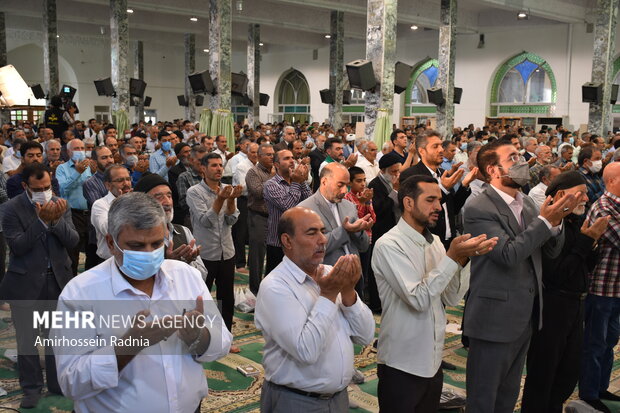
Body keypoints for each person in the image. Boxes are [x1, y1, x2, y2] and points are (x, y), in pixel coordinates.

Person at [54, 192, 232, 412]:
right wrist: (128, 346)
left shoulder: (186, 276)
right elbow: (71, 381)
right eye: (137, 246)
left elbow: (222, 342)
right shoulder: (80, 293)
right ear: (111, 242)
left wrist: (199, 337)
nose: (149, 253)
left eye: (156, 244)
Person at [463, 139, 575, 413]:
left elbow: (550, 251)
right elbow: (508, 255)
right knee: (483, 398)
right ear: (492, 170)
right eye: (512, 158)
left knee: (508, 395)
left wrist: (557, 222)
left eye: (519, 155)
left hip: (525, 314)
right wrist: (546, 222)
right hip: (493, 316)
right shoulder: (478, 208)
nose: (522, 161)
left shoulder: (526, 203)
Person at [372, 175, 497, 412]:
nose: (438, 207)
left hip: (432, 358)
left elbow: (450, 297)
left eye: (439, 200)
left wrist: (466, 258)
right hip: (402, 361)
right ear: (408, 203)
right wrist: (451, 258)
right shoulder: (389, 244)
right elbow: (418, 299)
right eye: (430, 200)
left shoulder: (437, 242)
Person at [255, 207, 375, 413]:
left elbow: (365, 336)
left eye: (322, 231)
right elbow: (306, 351)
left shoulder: (330, 273)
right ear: (287, 241)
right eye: (312, 233)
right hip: (295, 401)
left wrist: (347, 291)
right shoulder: (275, 287)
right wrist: (328, 295)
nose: (323, 239)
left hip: (338, 399)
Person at [522, 172, 610, 413]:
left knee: (568, 373)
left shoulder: (574, 222)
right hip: (554, 305)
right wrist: (586, 240)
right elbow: (558, 274)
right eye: (580, 192)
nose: (586, 197)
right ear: (561, 195)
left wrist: (592, 241)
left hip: (576, 305)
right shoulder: (552, 225)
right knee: (544, 373)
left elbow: (585, 268)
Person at [0, 163, 78, 408]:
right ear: (25, 186)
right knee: (28, 340)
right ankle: (31, 388)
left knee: (57, 337)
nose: (44, 192)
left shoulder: (59, 203)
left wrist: (55, 222)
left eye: (47, 186)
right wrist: (42, 222)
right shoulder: (10, 208)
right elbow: (19, 246)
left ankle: (57, 383)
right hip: (25, 283)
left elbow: (73, 241)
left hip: (57, 280)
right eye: (38, 188)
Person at [186, 153, 241, 352]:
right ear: (203, 169)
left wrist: (232, 200)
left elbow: (231, 220)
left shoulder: (225, 190)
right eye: (214, 165)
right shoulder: (195, 192)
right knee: (202, 298)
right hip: (205, 253)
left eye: (220, 165)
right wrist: (221, 199)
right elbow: (206, 221)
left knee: (226, 298)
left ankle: (225, 338)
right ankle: (197, 339)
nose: (219, 169)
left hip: (226, 251)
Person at [579, 162, 620, 412]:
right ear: (613, 180)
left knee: (610, 341)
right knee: (594, 343)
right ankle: (589, 393)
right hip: (601, 289)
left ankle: (601, 386)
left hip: (616, 288)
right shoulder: (604, 207)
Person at [403, 131, 477, 250]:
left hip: (449, 240)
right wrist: (444, 189)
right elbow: (420, 210)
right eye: (435, 146)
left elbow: (453, 208)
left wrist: (464, 185)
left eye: (441, 145)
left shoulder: (443, 173)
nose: (441, 150)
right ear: (422, 151)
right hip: (426, 242)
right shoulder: (411, 175)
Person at [134, 174, 208, 281]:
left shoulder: (183, 231)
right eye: (159, 197)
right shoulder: (136, 238)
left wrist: (187, 263)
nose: (167, 202)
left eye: (169, 196)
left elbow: (202, 275)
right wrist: (167, 264)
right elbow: (138, 280)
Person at [299, 162, 371, 264]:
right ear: (324, 182)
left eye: (347, 185)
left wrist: (358, 231)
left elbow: (364, 247)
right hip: (328, 277)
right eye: (340, 185)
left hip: (355, 274)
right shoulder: (305, 209)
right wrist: (344, 231)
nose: (345, 190)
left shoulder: (349, 206)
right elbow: (310, 249)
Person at [264, 149, 312, 273]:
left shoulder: (298, 181)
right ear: (276, 165)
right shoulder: (271, 185)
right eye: (286, 158)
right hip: (278, 243)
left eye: (292, 158)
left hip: (298, 239)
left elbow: (310, 202)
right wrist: (297, 182)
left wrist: (300, 181)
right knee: (276, 280)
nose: (291, 161)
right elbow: (289, 207)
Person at [366, 153, 402, 312]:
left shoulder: (397, 183)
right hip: (380, 233)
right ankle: (376, 304)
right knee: (377, 271)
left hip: (395, 232)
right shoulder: (375, 185)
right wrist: (394, 191)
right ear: (384, 171)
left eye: (398, 171)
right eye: (393, 172)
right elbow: (379, 210)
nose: (396, 175)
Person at [56, 138, 94, 275]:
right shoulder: (62, 168)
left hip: (90, 212)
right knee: (73, 252)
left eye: (81, 148)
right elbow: (62, 189)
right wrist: (76, 172)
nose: (80, 151)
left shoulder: (89, 166)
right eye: (76, 149)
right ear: (68, 152)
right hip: (73, 214)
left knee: (92, 250)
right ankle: (70, 282)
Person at [245, 144, 275, 294]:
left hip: (275, 217)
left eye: (272, 154)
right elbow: (258, 192)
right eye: (268, 154)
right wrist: (274, 178)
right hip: (258, 216)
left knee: (274, 253)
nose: (271, 157)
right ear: (259, 157)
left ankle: (270, 288)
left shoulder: (276, 171)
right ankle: (255, 290)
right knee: (257, 256)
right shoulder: (253, 172)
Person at [344, 166, 376, 296]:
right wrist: (361, 203)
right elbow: (353, 220)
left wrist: (366, 202)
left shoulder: (366, 196)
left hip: (367, 239)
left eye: (364, 180)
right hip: (353, 241)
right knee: (355, 275)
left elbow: (373, 218)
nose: (363, 184)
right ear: (350, 183)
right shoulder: (346, 198)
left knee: (365, 273)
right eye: (358, 181)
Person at [232, 142, 258, 274]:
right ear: (247, 153)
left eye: (257, 152)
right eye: (253, 152)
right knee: (240, 234)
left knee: (254, 233)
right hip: (243, 201)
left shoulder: (260, 166)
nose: (255, 155)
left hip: (257, 201)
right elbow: (243, 187)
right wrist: (258, 184)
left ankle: (252, 262)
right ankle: (239, 263)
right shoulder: (242, 166)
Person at [168, 142, 191, 224]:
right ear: (178, 156)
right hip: (182, 210)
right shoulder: (174, 171)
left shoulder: (197, 168)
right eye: (186, 152)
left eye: (190, 151)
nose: (189, 154)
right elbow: (177, 192)